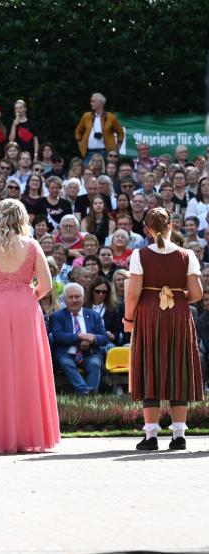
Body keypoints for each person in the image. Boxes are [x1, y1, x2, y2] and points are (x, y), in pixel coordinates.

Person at [0, 199, 60, 453]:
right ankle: (29, 435)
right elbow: (46, 285)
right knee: (27, 369)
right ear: (23, 218)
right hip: (25, 308)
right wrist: (26, 297)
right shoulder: (32, 245)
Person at [123, 207, 203, 451]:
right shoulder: (188, 254)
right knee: (179, 368)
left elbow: (133, 293)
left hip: (149, 313)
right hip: (179, 315)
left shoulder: (140, 254)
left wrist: (128, 318)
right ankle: (179, 435)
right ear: (171, 225)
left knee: (151, 368)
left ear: (147, 229)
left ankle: (151, 436)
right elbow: (197, 293)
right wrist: (177, 298)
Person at [74, 92, 124, 161]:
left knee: (105, 168)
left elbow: (120, 133)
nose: (91, 103)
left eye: (93, 101)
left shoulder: (111, 117)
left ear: (100, 103)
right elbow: (78, 131)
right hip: (89, 152)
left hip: (105, 152)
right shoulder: (86, 116)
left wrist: (117, 149)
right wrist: (80, 143)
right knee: (87, 168)